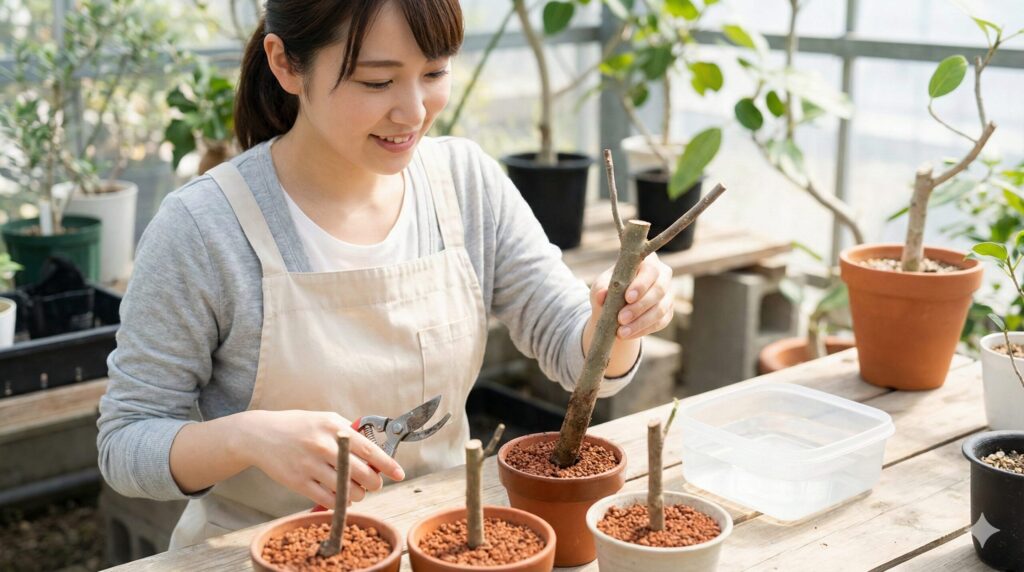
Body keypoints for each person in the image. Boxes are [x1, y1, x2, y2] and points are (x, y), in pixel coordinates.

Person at [97, 0, 676, 549]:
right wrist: (247, 437)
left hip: (445, 541)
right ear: (285, 64)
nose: (414, 111)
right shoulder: (204, 227)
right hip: (253, 550)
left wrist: (618, 321)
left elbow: (576, 356)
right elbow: (126, 444)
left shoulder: (466, 184)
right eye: (377, 82)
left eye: (435, 73)